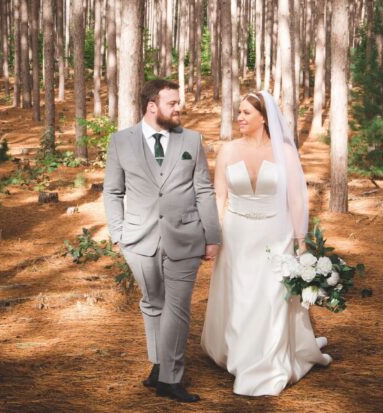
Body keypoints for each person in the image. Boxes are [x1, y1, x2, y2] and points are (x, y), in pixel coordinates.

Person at [201, 91, 332, 396]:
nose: (240, 118)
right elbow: (219, 197)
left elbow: (296, 198)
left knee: (272, 298)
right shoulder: (228, 150)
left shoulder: (284, 152)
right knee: (242, 297)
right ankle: (240, 354)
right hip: (236, 234)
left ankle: (267, 363)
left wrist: (300, 242)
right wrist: (214, 236)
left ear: (264, 116)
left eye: (246, 112)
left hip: (276, 233)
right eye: (239, 112)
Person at [103, 79, 221, 403]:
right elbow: (112, 191)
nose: (179, 108)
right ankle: (158, 365)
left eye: (178, 102)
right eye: (173, 103)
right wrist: (119, 234)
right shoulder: (121, 141)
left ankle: (170, 378)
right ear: (152, 106)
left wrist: (212, 236)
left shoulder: (192, 140)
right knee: (153, 303)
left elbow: (204, 191)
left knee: (177, 308)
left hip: (186, 236)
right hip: (138, 240)